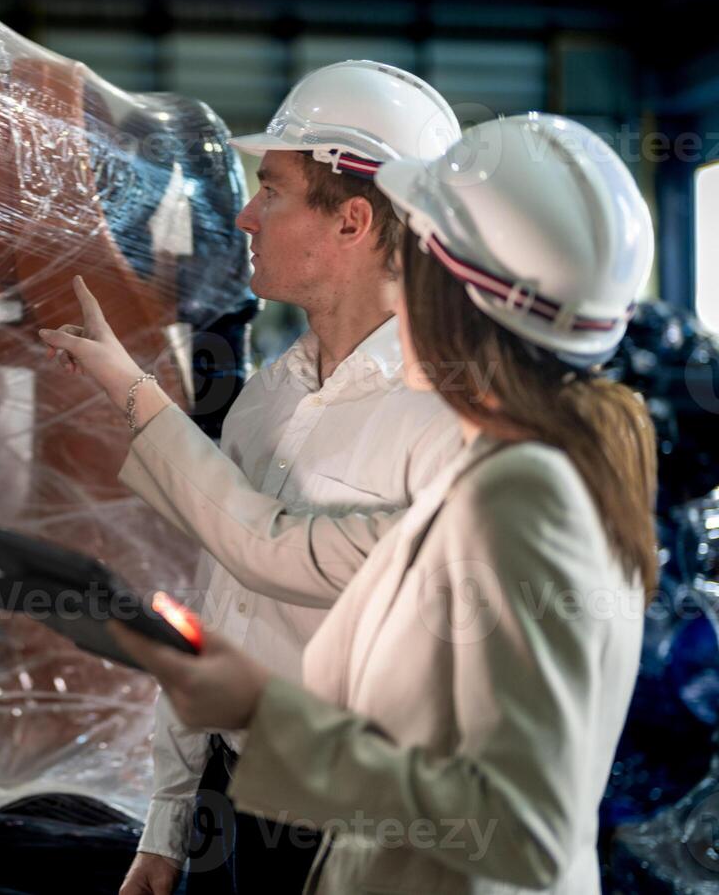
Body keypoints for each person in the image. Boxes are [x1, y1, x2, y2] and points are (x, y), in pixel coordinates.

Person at [108, 113, 656, 894]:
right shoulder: (524, 470)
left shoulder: (525, 492)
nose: (398, 283)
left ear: (459, 295)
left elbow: (524, 829)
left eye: (415, 263)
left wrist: (264, 713)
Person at [40, 60, 465, 894]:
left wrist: (132, 393)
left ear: (351, 221)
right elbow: (214, 613)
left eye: (270, 190)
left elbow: (262, 549)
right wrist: (168, 824)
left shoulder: (446, 417)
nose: (243, 216)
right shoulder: (270, 398)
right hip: (240, 811)